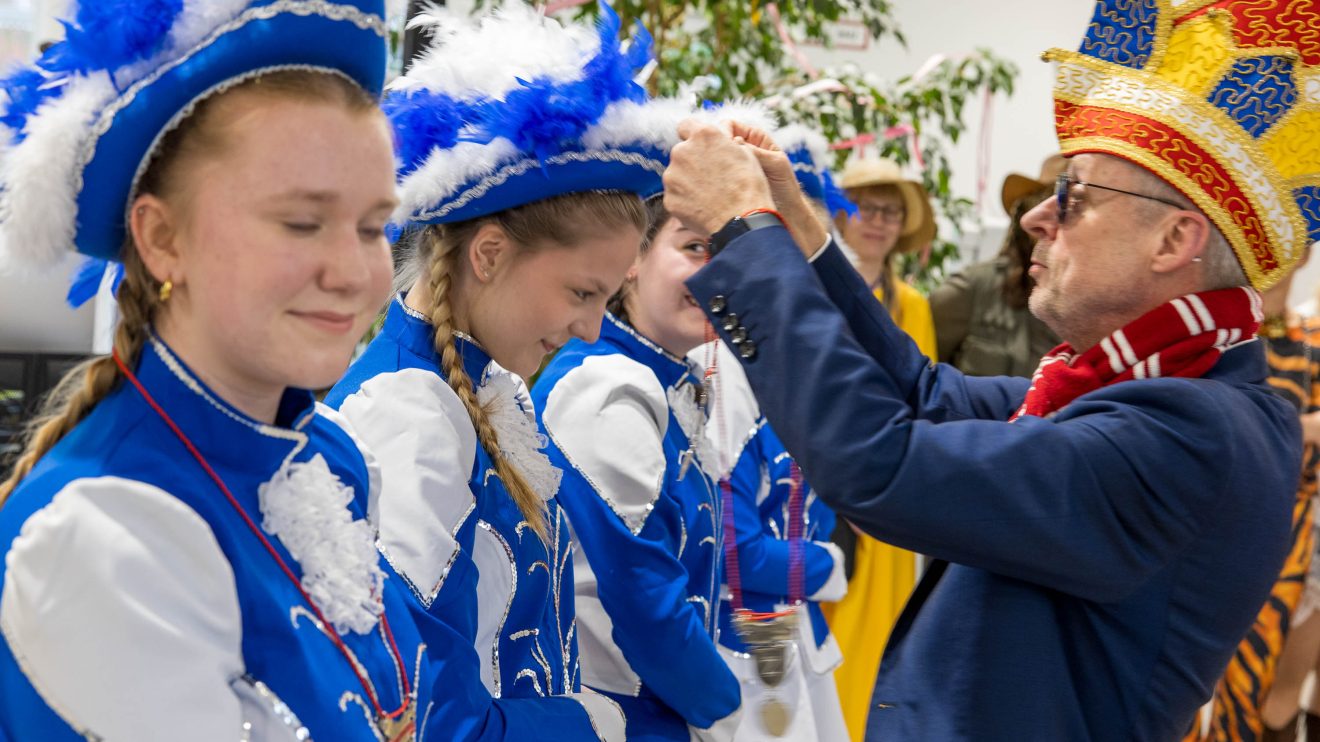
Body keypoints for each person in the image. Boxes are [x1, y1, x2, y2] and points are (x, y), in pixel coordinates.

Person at [661, 0, 1317, 738]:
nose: (1036, 218)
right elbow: (925, 394)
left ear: (1174, 240)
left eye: (1074, 196)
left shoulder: (1191, 431)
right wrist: (795, 228)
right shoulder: (1162, 388)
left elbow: (880, 461)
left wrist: (744, 232)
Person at [0, 1, 463, 738]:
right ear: (162, 238)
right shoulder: (103, 535)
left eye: (374, 227)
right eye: (301, 222)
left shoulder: (330, 458)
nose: (353, 272)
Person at [323, 5, 680, 739]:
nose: (592, 329)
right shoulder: (410, 418)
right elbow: (438, 722)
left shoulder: (488, 389)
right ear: (488, 254)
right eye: (581, 293)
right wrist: (601, 720)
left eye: (607, 299)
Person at [531, 190, 742, 741]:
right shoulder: (605, 385)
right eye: (694, 247)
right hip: (623, 721)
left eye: (730, 253)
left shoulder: (656, 378)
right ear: (633, 259)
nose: (717, 272)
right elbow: (644, 603)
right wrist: (724, 708)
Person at [692, 124, 849, 742]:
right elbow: (735, 547)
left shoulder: (798, 364)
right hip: (743, 649)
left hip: (799, 639)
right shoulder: (721, 369)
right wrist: (828, 566)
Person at [824, 153, 939, 738]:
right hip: (810, 478)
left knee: (871, 636)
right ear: (842, 214)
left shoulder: (912, 305)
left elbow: (921, 400)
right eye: (866, 206)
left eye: (891, 211)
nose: (878, 221)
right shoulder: (812, 289)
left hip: (882, 487)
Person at [1192, 259, 1320, 742]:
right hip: (1204, 525)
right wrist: (1300, 428)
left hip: (1283, 532)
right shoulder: (1215, 332)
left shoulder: (1309, 341)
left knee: (1251, 682)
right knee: (1178, 678)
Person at [931, 155, 1063, 377]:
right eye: (1044, 205)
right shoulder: (973, 289)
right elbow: (919, 377)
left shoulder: (1090, 312)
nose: (1052, 226)